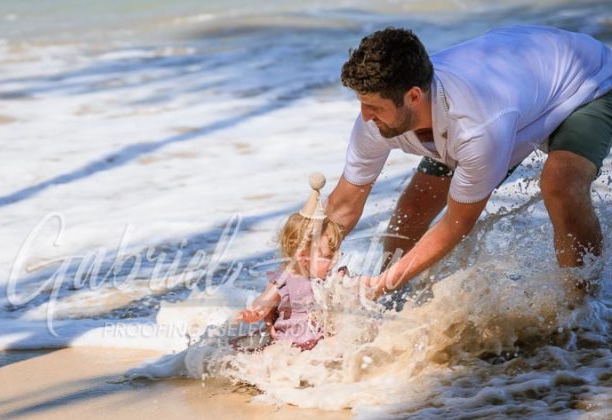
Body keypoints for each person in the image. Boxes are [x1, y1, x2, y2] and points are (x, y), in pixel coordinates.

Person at [325, 25, 612, 298]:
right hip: (523, 82)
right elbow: (344, 205)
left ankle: (580, 311)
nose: (364, 116)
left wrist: (382, 285)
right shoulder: (382, 116)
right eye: (361, 103)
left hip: (588, 80)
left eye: (374, 107)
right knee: (415, 205)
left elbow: (455, 224)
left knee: (561, 184)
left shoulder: (475, 128)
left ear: (413, 96)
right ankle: (389, 301)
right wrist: (299, 271)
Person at [237, 174, 345, 351]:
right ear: (303, 257)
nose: (334, 261)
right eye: (327, 257)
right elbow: (264, 301)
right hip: (288, 343)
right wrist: (255, 312)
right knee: (267, 358)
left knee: (336, 345)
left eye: (335, 254)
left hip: (319, 343)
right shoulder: (286, 278)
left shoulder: (332, 277)